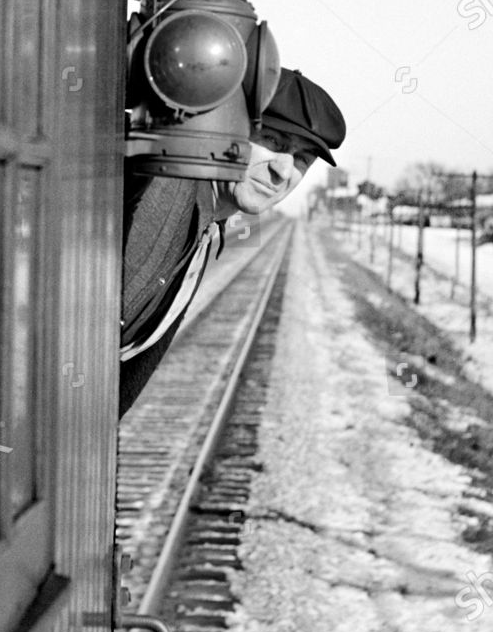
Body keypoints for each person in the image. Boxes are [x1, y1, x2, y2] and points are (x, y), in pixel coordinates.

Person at [119, 68, 346, 416]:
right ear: (229, 126)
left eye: (301, 159)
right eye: (273, 141)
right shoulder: (168, 192)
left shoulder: (206, 216)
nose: (283, 172)